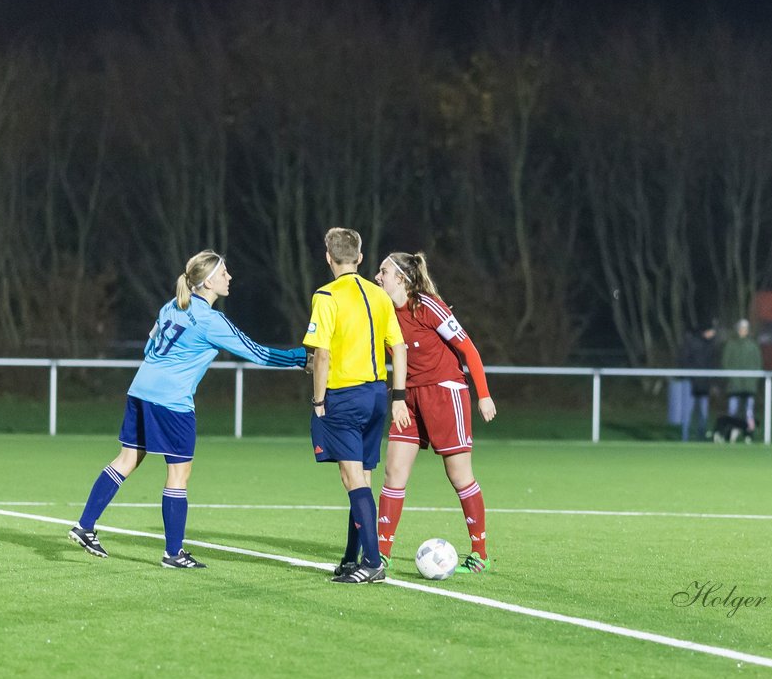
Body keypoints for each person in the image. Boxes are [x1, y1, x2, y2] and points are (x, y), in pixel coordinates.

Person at [68, 250, 307, 568]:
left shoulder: (172, 305)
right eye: (224, 273)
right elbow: (258, 354)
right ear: (208, 281)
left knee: (127, 459)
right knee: (178, 474)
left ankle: (85, 526)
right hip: (171, 401)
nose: (229, 278)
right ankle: (173, 553)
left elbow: (149, 344)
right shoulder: (210, 320)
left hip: (140, 390)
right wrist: (301, 358)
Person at [374, 251, 497, 573]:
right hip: (408, 397)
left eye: (383, 271)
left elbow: (467, 348)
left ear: (401, 277)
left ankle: (479, 552)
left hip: (445, 394)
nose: (377, 276)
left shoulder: (426, 306)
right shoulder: (384, 312)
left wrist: (483, 396)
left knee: (459, 476)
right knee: (393, 473)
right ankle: (381, 552)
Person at [304, 227, 409, 584]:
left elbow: (321, 354)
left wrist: (319, 400)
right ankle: (352, 558)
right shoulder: (380, 295)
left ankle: (373, 562)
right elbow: (401, 347)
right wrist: (398, 397)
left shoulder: (327, 295)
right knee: (362, 477)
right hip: (377, 395)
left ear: (328, 258)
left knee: (352, 479)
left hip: (345, 396)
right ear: (361, 258)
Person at [721, 318, 763, 432]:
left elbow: (758, 364)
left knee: (749, 411)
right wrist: (732, 378)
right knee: (732, 410)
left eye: (745, 329)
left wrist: (753, 380)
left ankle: (749, 434)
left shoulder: (753, 346)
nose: (743, 331)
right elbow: (726, 363)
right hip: (734, 385)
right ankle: (728, 434)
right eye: (741, 328)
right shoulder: (730, 345)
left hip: (749, 385)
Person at [678, 322, 717, 442]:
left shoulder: (711, 345)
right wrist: (689, 376)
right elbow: (684, 360)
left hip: (704, 384)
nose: (714, 333)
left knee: (703, 412)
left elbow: (713, 365)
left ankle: (701, 435)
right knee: (688, 410)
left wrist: (713, 382)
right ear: (706, 331)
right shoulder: (693, 343)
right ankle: (685, 436)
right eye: (712, 331)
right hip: (691, 383)